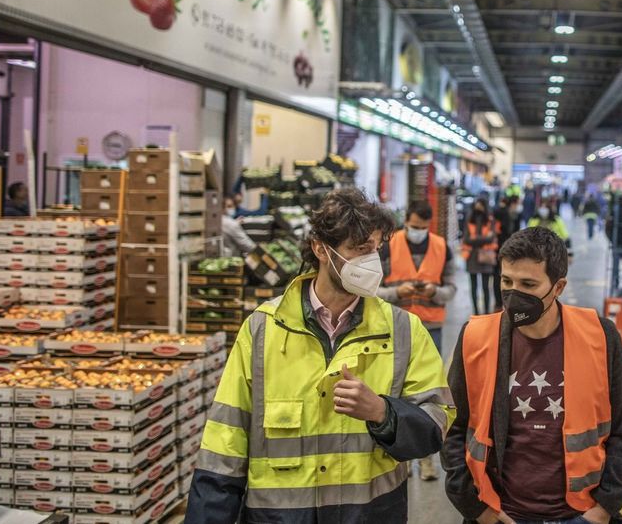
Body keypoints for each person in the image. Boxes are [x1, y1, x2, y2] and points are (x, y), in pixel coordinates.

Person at [188, 188, 455, 523]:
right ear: (320, 248)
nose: (371, 261)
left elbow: (436, 425)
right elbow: (222, 450)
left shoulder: (404, 330)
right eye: (359, 250)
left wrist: (383, 413)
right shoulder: (261, 331)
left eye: (375, 249)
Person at [443, 227, 622, 524]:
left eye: (528, 284)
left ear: (558, 287)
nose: (514, 294)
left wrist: (602, 510)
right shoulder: (476, 337)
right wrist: (478, 511)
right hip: (501, 513)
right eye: (506, 281)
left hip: (580, 515)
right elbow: (452, 429)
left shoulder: (600, 336)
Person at [377, 200, 457, 482]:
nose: (418, 232)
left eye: (422, 228)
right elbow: (374, 289)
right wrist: (397, 292)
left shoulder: (442, 247)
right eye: (413, 227)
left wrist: (436, 291)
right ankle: (400, 459)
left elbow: (451, 289)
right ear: (406, 222)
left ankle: (426, 460)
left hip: (430, 327)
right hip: (394, 326)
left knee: (429, 395)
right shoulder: (387, 245)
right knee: (394, 390)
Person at [462, 199, 501, 315]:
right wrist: (483, 240)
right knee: (473, 286)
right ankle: (476, 312)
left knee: (485, 287)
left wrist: (475, 240)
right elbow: (466, 240)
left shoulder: (490, 220)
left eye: (480, 206)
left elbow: (491, 238)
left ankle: (486, 312)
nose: (478, 208)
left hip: (486, 258)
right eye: (476, 206)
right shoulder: (469, 220)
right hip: (471, 257)